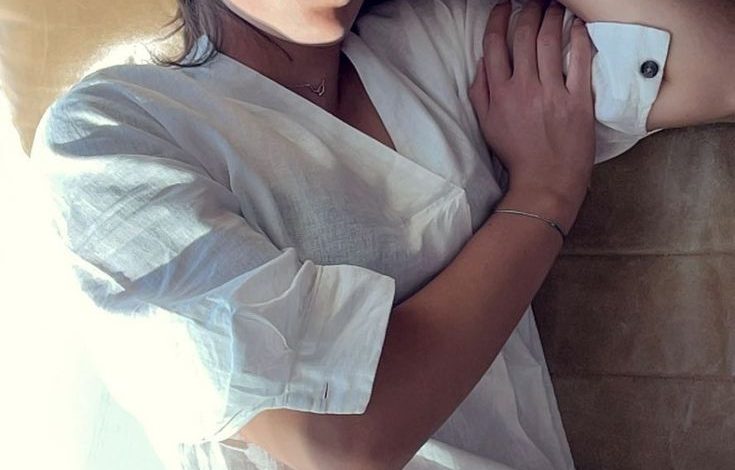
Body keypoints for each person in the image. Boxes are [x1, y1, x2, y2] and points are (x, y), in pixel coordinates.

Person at [28, 0, 734, 469]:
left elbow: (716, 62)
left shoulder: (443, 40)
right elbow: (337, 440)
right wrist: (545, 194)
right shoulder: (110, 129)